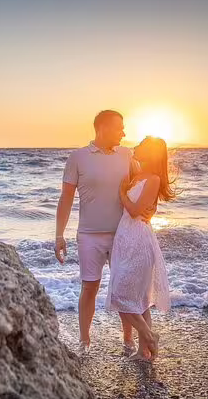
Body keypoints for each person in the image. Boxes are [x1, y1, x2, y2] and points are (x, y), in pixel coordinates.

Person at [55, 110, 151, 355]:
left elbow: (147, 181)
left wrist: (150, 209)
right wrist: (59, 235)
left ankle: (128, 340)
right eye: (119, 128)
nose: (124, 133)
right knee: (89, 287)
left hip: (123, 234)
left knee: (124, 287)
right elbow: (66, 199)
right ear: (103, 128)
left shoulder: (127, 155)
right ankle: (85, 342)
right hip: (89, 235)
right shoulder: (77, 157)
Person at [106, 136, 174, 360]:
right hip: (124, 239)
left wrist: (122, 193)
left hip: (139, 241)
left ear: (151, 153)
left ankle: (148, 335)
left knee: (120, 294)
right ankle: (144, 351)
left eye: (141, 146)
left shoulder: (153, 178)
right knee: (139, 297)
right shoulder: (136, 173)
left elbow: (135, 211)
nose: (135, 147)